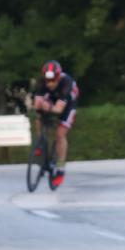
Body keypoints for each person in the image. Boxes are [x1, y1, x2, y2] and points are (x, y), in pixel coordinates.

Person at [32, 60, 79, 188]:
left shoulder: (66, 83)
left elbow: (58, 110)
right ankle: (41, 143)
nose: (50, 84)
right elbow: (37, 105)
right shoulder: (42, 83)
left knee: (60, 134)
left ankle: (60, 167)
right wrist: (41, 106)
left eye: (53, 81)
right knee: (39, 116)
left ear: (58, 77)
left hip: (68, 104)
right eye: (47, 81)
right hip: (53, 99)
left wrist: (49, 107)